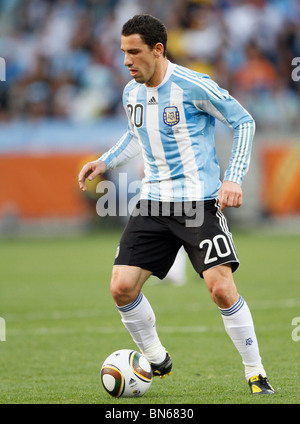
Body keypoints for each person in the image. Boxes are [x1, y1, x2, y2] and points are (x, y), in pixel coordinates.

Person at [78, 14, 274, 395]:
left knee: (221, 288)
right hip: (153, 204)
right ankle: (156, 357)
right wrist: (105, 161)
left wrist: (233, 177)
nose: (126, 61)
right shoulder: (130, 92)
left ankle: (256, 372)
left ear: (158, 50)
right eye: (122, 53)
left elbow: (244, 121)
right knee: (121, 287)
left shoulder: (193, 85)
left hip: (198, 204)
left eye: (134, 52)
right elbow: (136, 134)